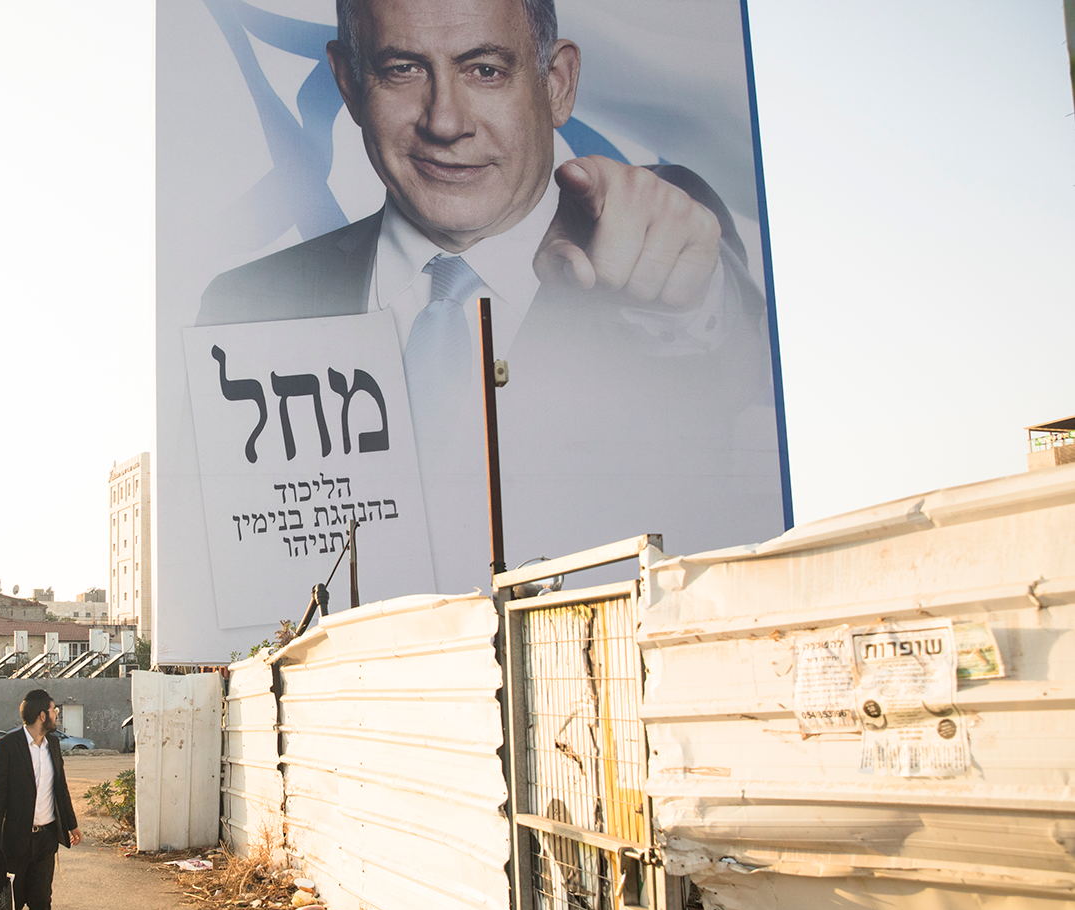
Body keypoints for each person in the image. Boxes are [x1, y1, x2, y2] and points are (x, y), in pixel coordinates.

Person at [196, 0, 783, 589]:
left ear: (557, 84)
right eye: (403, 69)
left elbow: (739, 363)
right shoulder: (243, 309)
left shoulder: (650, 239)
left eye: (486, 70)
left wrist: (689, 297)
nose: (445, 121)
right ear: (348, 83)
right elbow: (225, 564)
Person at [0, 689, 81, 910]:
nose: (56, 715)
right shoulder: (8, 746)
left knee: (41, 903)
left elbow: (60, 787)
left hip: (46, 838)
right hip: (15, 839)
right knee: (14, 900)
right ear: (41, 715)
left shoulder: (53, 744)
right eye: (53, 710)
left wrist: (71, 824)